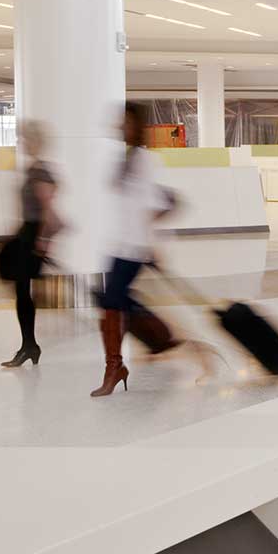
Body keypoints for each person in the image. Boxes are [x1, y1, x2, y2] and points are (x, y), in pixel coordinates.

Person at [93, 102, 216, 396]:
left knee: (112, 302)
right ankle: (174, 345)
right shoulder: (124, 158)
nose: (121, 126)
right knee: (117, 302)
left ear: (138, 125)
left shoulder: (145, 160)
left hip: (135, 247)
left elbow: (153, 205)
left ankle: (117, 366)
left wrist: (151, 243)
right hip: (119, 243)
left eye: (126, 121)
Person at [2, 121, 62, 369]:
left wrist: (43, 241)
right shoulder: (34, 169)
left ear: (35, 141)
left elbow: (49, 210)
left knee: (23, 294)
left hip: (33, 234)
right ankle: (29, 345)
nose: (21, 143)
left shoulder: (40, 172)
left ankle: (29, 346)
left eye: (24, 139)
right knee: (22, 292)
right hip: (28, 232)